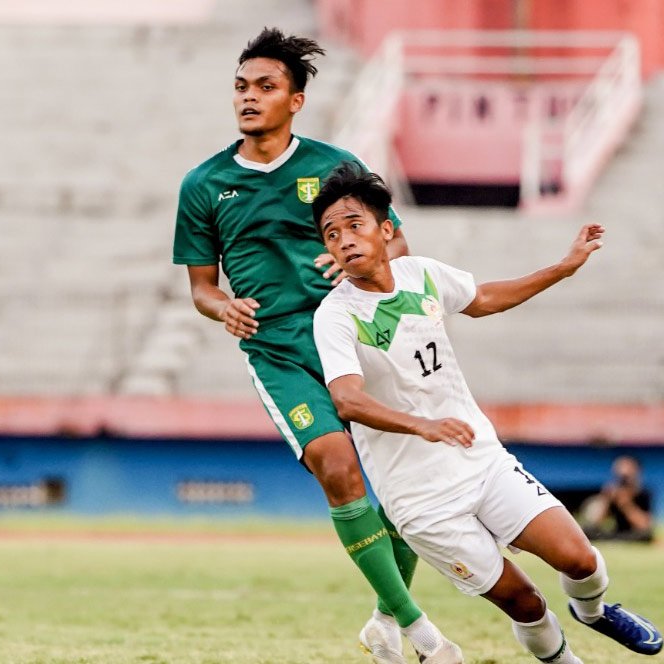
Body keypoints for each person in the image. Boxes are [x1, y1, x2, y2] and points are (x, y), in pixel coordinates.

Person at [172, 28, 461, 663]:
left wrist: (357, 261)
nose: (249, 98)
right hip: (279, 354)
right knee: (336, 465)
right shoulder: (203, 185)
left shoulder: (336, 169)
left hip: (357, 346)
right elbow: (201, 288)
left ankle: (384, 620)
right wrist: (227, 308)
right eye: (242, 86)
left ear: (296, 100)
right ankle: (421, 631)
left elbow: (399, 248)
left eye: (266, 87)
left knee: (405, 492)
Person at [311, 163, 664, 663]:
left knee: (580, 559)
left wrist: (562, 268)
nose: (344, 240)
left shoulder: (421, 274)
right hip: (421, 501)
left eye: (355, 225)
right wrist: (422, 425)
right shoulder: (335, 315)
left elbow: (485, 299)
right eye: (331, 234)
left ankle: (595, 611)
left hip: (479, 459)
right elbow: (346, 400)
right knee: (526, 603)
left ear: (386, 229)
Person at [581, 456, 654, 542]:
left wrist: (626, 504)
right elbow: (595, 522)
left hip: (632, 534)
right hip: (615, 534)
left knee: (645, 535)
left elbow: (644, 525)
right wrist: (606, 499)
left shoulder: (643, 493)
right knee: (586, 530)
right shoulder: (612, 492)